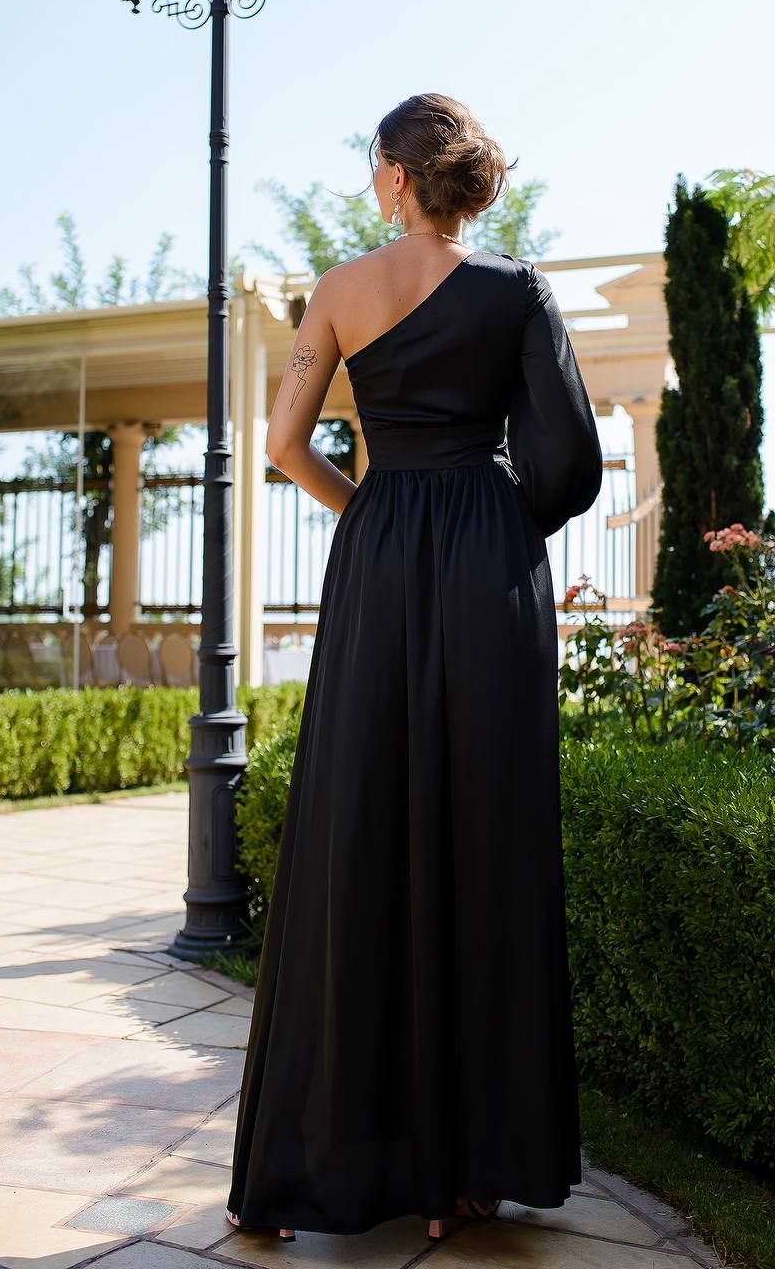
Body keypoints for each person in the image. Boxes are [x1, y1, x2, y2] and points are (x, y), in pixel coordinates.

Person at [225, 92, 604, 1244]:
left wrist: (374, 512)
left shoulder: (339, 291)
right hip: (489, 565)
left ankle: (337, 1160)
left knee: (360, 830)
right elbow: (571, 464)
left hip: (378, 560)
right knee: (485, 837)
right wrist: (493, 520)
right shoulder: (518, 290)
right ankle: (469, 1171)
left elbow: (282, 444)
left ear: (395, 176)